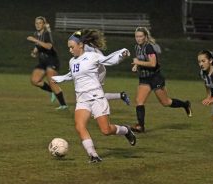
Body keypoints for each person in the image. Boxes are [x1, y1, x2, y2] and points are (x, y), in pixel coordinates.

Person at [51, 30, 136, 163]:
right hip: (82, 100)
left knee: (106, 130)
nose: (70, 50)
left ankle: (126, 130)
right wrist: (60, 78)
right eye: (69, 47)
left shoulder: (92, 56)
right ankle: (93, 155)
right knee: (80, 126)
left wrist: (121, 53)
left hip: (97, 97)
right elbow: (72, 75)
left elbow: (109, 60)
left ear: (81, 45)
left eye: (72, 47)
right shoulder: (72, 61)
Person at [130, 27, 192, 133]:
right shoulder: (137, 47)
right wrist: (136, 66)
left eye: (140, 36)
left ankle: (185, 104)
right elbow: (140, 59)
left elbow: (153, 64)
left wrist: (138, 63)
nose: (138, 39)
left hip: (155, 78)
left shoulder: (149, 47)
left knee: (166, 102)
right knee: (139, 101)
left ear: (145, 37)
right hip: (144, 78)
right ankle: (141, 126)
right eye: (137, 36)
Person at [27, 16, 67, 110]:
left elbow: (49, 46)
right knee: (35, 80)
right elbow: (38, 45)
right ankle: (52, 91)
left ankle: (63, 105)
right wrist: (34, 51)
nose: (37, 25)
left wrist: (35, 40)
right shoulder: (36, 34)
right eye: (36, 23)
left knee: (52, 82)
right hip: (43, 61)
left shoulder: (47, 34)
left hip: (52, 60)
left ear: (44, 24)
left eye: (40, 23)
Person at [82, 29, 130, 105]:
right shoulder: (89, 47)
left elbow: (107, 60)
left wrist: (121, 56)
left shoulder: (87, 47)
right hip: (96, 71)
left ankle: (95, 110)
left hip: (98, 72)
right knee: (93, 95)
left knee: (92, 95)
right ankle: (121, 95)